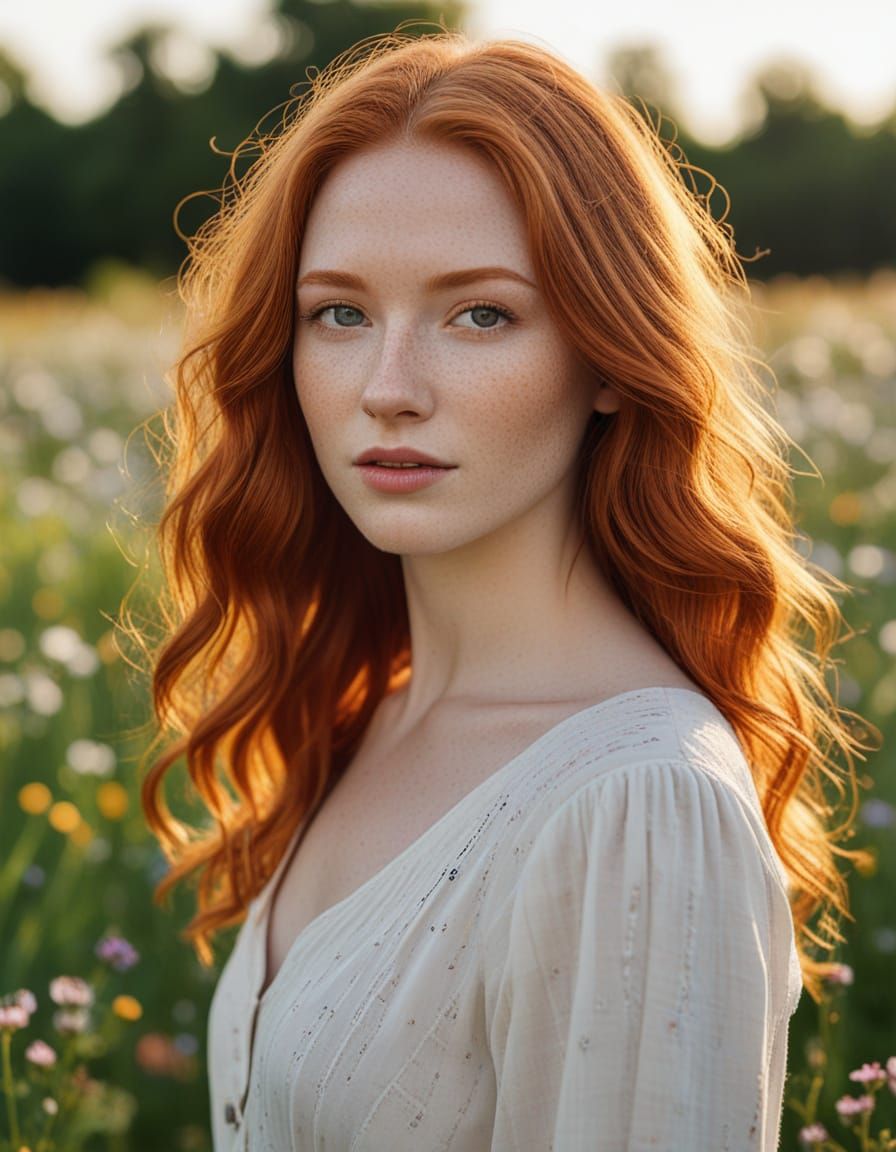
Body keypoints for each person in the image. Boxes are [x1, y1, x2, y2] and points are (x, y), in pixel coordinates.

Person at [130, 25, 878, 1152]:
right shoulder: (359, 718)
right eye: (338, 313)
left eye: (479, 313)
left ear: (614, 362)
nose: (387, 388)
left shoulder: (634, 809)